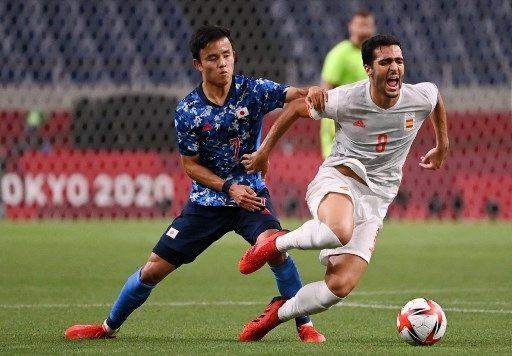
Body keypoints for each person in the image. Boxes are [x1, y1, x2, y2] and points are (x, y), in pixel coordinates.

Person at [64, 25, 327, 342]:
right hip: (207, 204)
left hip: (252, 198)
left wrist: (312, 91)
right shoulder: (188, 110)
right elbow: (190, 166)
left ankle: (305, 326)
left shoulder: (253, 90)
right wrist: (229, 188)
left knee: (274, 247)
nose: (222, 63)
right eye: (213, 58)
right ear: (198, 64)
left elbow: (293, 94)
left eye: (227, 55)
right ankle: (107, 327)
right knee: (152, 270)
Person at [237, 34, 449, 341]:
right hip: (340, 177)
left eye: (399, 61)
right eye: (385, 62)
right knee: (339, 230)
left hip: (378, 197)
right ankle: (276, 244)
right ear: (367, 69)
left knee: (338, 288)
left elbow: (436, 97)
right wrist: (264, 152)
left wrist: (442, 143)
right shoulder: (346, 98)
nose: (395, 69)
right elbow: (297, 109)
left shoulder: (418, 96)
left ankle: (277, 314)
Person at [320, 10, 376, 158]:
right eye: (360, 25)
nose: (364, 29)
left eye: (367, 25)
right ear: (351, 26)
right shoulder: (340, 54)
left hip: (365, 124)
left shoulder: (375, 56)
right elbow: (326, 91)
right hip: (341, 122)